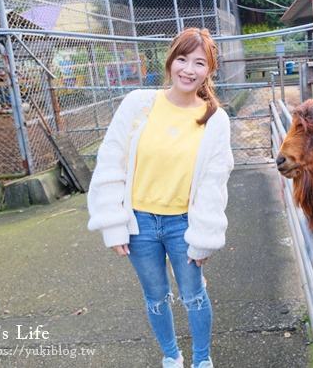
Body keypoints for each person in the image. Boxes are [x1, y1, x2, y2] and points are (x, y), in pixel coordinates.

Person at [87, 28, 234, 368]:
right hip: (140, 224)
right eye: (182, 59)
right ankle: (171, 357)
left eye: (199, 62)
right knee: (155, 297)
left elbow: (215, 181)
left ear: (209, 71)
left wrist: (205, 236)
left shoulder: (215, 120)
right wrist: (113, 222)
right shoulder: (138, 104)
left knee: (194, 295)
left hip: (183, 223)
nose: (188, 69)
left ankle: (201, 360)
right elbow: (111, 159)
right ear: (170, 61)